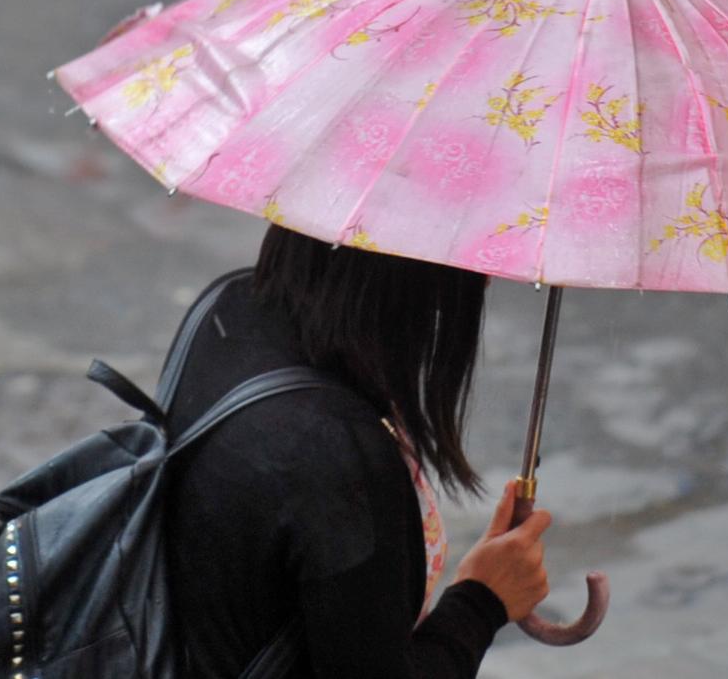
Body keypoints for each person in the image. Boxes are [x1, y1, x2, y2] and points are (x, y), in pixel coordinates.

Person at [164, 224, 552, 678]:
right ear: (404, 265)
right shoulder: (337, 455)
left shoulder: (229, 306)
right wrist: (481, 602)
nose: (485, 278)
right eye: (472, 247)